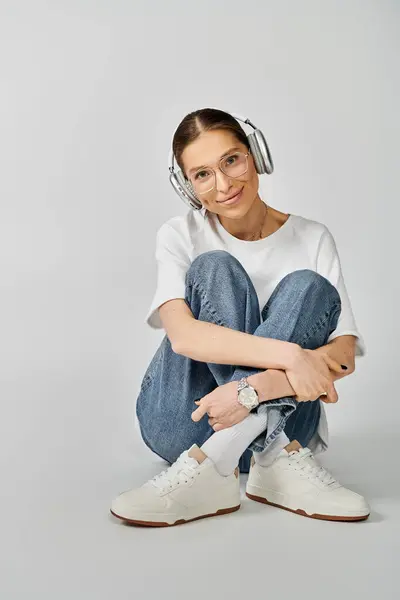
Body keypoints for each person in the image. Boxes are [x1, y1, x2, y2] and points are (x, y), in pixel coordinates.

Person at [110, 107, 370, 527]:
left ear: (256, 156)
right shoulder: (181, 234)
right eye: (203, 174)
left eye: (231, 160)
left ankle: (214, 465)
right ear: (188, 186)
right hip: (186, 421)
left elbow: (342, 354)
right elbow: (183, 337)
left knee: (309, 287)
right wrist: (292, 356)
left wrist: (257, 387)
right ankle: (252, 457)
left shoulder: (312, 236)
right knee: (214, 268)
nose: (225, 184)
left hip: (287, 428)